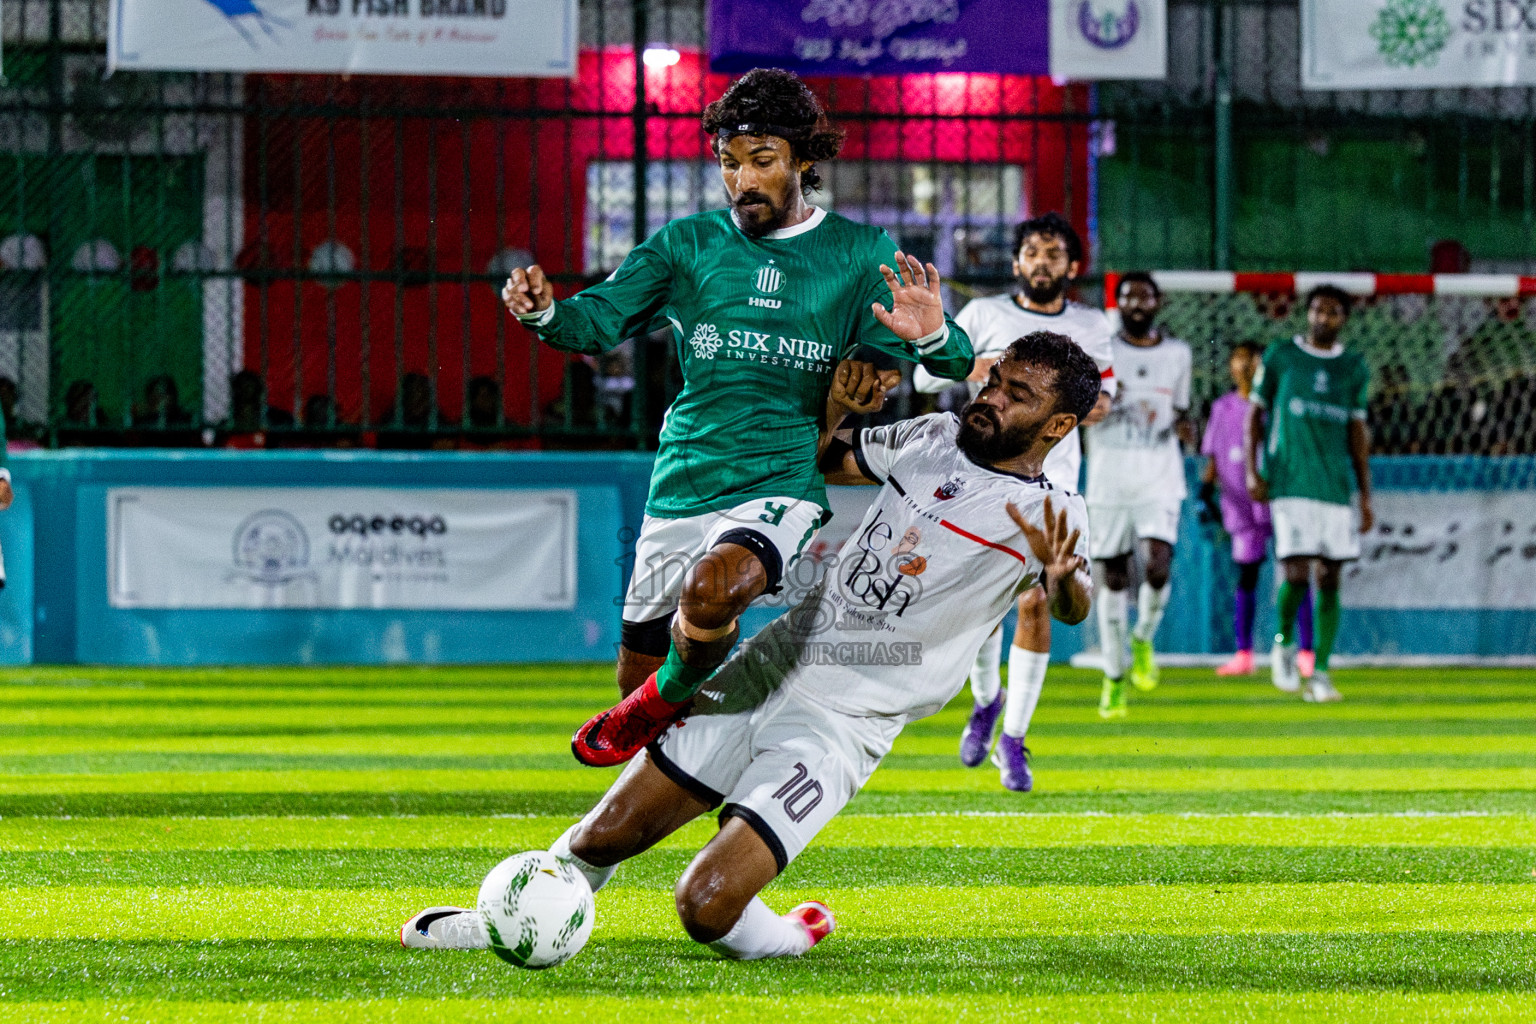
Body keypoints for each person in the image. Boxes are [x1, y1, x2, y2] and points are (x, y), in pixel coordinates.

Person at [401, 333, 1099, 960]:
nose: (991, 398)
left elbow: (1073, 608)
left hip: (843, 726)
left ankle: (795, 933)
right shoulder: (934, 437)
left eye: (1017, 395)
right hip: (768, 666)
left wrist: (1064, 580)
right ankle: (500, 920)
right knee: (601, 838)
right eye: (995, 380)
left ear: (1059, 424)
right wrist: (831, 407)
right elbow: (824, 456)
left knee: (703, 907)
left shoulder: (1056, 513)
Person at [502, 68, 974, 765]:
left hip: (781, 477)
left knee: (715, 588)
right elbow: (595, 321)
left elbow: (948, 363)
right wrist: (545, 312)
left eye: (762, 161)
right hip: (686, 476)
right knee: (645, 697)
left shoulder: (859, 253)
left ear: (802, 160)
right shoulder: (686, 245)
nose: (742, 180)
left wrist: (928, 339)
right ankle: (679, 771)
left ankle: (673, 707)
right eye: (729, 163)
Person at [913, 211, 1113, 790]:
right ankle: (986, 700)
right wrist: (987, 369)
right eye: (1032, 251)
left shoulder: (1091, 324)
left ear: (1071, 266)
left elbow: (1102, 400)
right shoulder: (982, 315)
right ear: (1017, 262)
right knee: (981, 600)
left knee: (1036, 601)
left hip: (1055, 482)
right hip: (975, 475)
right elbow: (928, 375)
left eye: (1054, 253)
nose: (1042, 262)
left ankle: (1015, 738)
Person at [1246, 285, 1374, 702]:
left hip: (1335, 486)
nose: (1324, 318)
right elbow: (1256, 416)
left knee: (1331, 576)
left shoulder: (1353, 367)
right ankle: (1283, 642)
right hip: (1289, 481)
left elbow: (1357, 432)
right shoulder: (1282, 356)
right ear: (1308, 314)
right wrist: (1253, 470)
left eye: (1334, 312)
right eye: (1318, 310)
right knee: (1297, 574)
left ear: (1344, 319)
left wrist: (1366, 494)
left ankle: (1320, 672)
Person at [1081, 272, 1192, 715]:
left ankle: (1143, 636)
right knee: (1112, 578)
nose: (1137, 303)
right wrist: (1101, 401)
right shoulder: (1100, 351)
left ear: (1159, 301)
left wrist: (1188, 426)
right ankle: (1113, 674)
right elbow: (1078, 412)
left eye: (1144, 296)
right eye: (1128, 297)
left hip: (1160, 476)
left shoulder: (1178, 353)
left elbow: (1182, 409)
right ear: (1119, 304)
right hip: (1109, 480)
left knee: (1158, 563)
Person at [1200, 342, 1314, 677]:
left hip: (1280, 499)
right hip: (1240, 503)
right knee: (1246, 576)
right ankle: (1243, 652)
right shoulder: (1223, 407)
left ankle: (1302, 648)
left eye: (1254, 359)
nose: (1247, 365)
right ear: (1231, 366)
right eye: (1240, 358)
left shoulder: (1279, 405)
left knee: (1294, 574)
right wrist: (1205, 490)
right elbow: (1214, 454)